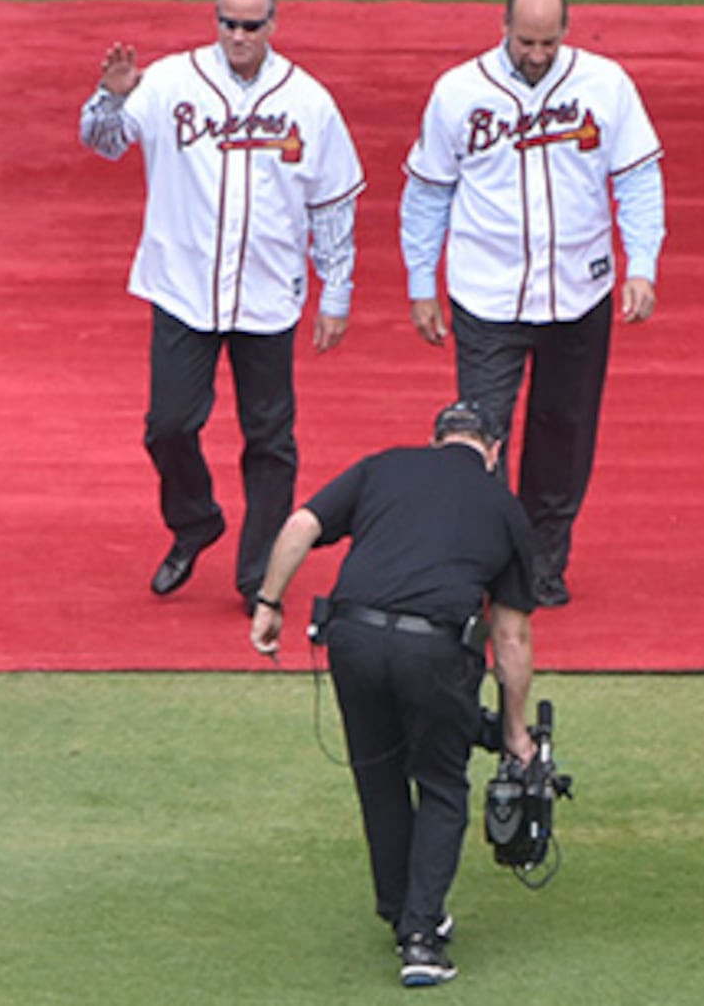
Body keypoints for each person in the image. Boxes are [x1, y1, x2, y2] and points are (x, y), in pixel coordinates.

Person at [83, 0, 364, 606]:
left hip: (268, 295)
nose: (238, 35)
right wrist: (113, 98)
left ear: (273, 22)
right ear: (216, 18)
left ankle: (257, 572)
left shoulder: (308, 100)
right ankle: (194, 521)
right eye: (228, 22)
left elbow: (333, 202)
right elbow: (101, 143)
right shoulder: (171, 82)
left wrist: (338, 291)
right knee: (168, 425)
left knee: (269, 438)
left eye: (250, 24)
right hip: (183, 288)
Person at [250, 398, 543, 989]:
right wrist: (514, 732)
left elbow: (303, 523)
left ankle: (401, 909)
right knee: (441, 784)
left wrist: (269, 602)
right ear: (494, 450)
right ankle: (421, 936)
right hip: (434, 650)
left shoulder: (382, 466)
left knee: (379, 777)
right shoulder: (504, 507)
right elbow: (511, 637)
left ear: (437, 440)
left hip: (351, 638)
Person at [400, 0, 664, 608]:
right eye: (526, 40)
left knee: (564, 432)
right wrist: (420, 281)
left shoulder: (605, 85)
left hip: (579, 290)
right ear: (503, 27)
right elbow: (428, 191)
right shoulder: (459, 92)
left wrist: (643, 263)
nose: (537, 53)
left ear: (567, 29)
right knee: (479, 435)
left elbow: (638, 178)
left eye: (549, 41)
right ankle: (488, 560)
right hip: (486, 292)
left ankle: (544, 559)